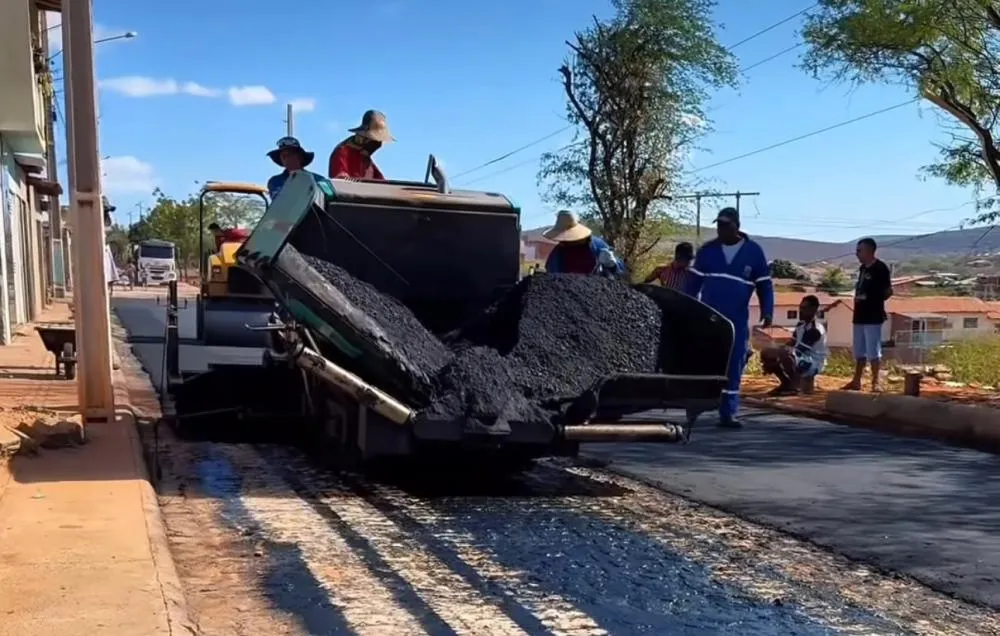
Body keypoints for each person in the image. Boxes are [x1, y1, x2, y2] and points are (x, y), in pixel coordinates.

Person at [685, 207, 774, 428]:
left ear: (737, 226)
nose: (721, 229)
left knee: (734, 364)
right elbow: (692, 285)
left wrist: (768, 311)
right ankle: (695, 407)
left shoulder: (753, 252)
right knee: (704, 362)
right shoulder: (708, 251)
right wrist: (686, 308)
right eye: (719, 225)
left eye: (726, 225)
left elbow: (764, 285)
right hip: (709, 318)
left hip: (737, 320)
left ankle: (728, 412)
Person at [844, 237, 893, 392]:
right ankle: (856, 381)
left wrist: (872, 299)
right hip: (859, 315)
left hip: (873, 316)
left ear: (869, 251)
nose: (857, 253)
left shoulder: (880, 268)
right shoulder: (862, 269)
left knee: (873, 350)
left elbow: (888, 291)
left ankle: (875, 382)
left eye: (860, 250)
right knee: (859, 350)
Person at [760, 295, 828, 396]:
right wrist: (774, 351)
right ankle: (786, 383)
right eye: (800, 307)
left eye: (804, 308)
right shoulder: (800, 325)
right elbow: (791, 343)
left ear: (813, 310)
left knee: (785, 353)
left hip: (813, 363)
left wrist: (780, 351)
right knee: (767, 352)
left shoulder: (815, 329)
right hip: (801, 357)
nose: (801, 311)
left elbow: (799, 350)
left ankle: (795, 386)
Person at [542, 210, 624, 276]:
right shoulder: (557, 254)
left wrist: (613, 265)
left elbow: (621, 270)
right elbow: (552, 277)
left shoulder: (598, 245)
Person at [328, 110, 392, 181]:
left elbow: (382, 182)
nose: (377, 145)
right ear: (364, 137)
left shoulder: (366, 159)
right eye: (375, 141)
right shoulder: (342, 152)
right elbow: (341, 180)